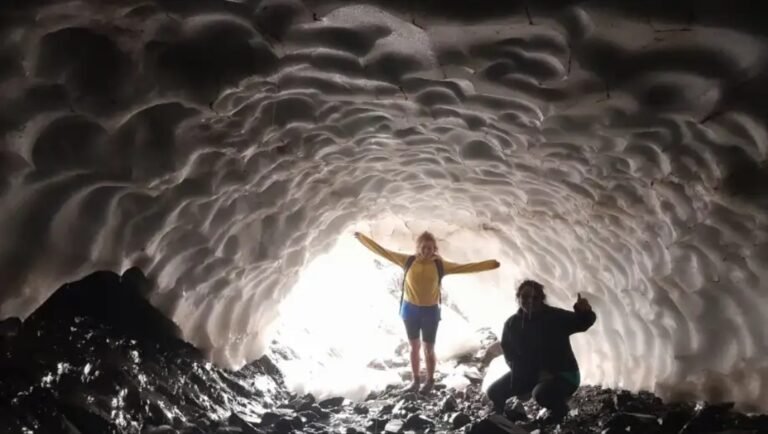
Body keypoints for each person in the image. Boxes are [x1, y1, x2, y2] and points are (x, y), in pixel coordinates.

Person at [354, 231, 500, 393]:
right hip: (410, 311)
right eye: (423, 248)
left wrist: (491, 264)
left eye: (430, 248)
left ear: (435, 249)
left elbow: (465, 268)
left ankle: (429, 381)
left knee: (428, 348)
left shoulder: (440, 265)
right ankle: (415, 381)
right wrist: (363, 239)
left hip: (430, 312)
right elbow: (383, 252)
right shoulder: (407, 260)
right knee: (413, 347)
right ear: (417, 248)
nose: (426, 251)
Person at [486, 279, 596, 422]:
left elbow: (582, 323)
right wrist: (521, 379)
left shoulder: (554, 317)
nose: (530, 301)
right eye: (525, 297)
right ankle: (500, 421)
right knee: (494, 392)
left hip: (564, 374)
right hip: (532, 373)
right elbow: (510, 355)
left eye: (535, 297)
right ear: (518, 298)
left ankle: (560, 411)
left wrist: (584, 312)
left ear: (541, 299)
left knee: (541, 394)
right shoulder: (512, 324)